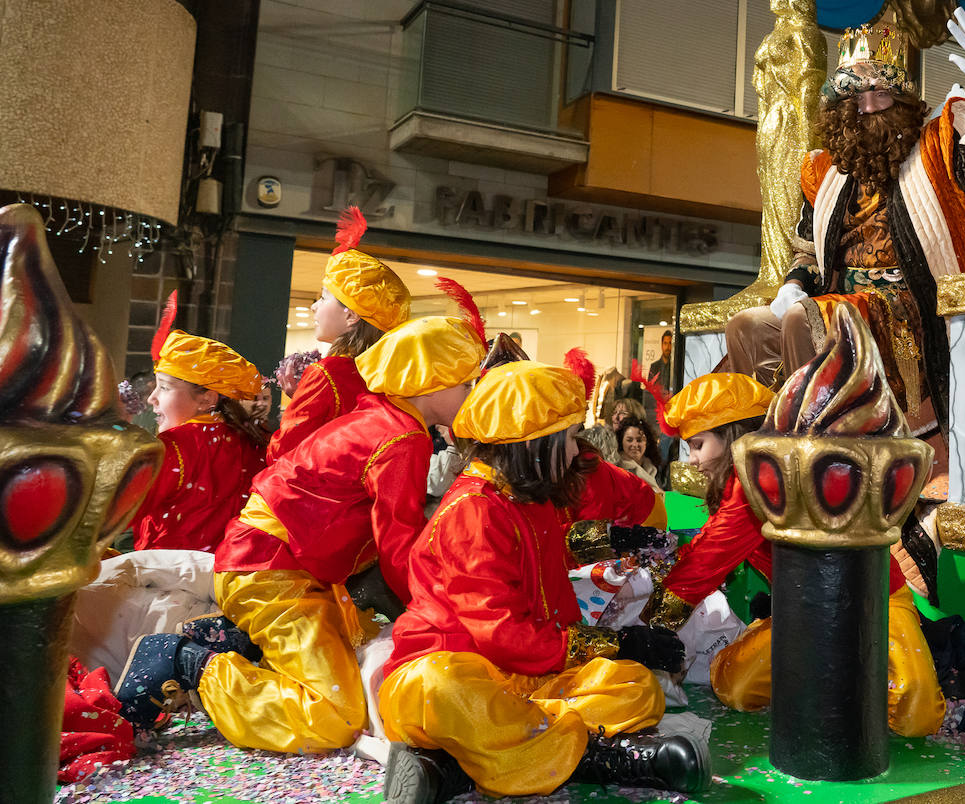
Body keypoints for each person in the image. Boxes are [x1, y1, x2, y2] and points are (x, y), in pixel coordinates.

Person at [113, 314, 487, 755]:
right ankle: (186, 662)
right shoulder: (400, 437)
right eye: (465, 384)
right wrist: (441, 612)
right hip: (270, 573)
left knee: (357, 673)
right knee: (333, 718)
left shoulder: (380, 418)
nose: (470, 396)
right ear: (430, 381)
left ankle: (228, 641)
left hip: (274, 567)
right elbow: (397, 544)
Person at [724, 4, 965, 502]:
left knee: (800, 322)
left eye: (881, 92)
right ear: (840, 109)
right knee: (746, 325)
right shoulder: (826, 171)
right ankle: (765, 448)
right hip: (840, 309)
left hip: (917, 313)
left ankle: (820, 459)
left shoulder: (941, 146)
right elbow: (807, 250)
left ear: (901, 98)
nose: (869, 106)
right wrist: (791, 285)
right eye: (856, 96)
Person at [379, 359, 710, 801]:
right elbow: (503, 636)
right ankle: (600, 757)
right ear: (532, 444)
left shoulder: (526, 497)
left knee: (634, 686)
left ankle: (454, 767)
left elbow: (550, 550)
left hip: (527, 680)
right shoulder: (472, 511)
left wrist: (616, 538)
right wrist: (616, 641)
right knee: (444, 689)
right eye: (569, 439)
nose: (576, 453)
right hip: (455, 672)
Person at [643, 373, 946, 737]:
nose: (692, 460)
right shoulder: (740, 481)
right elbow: (707, 547)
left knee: (919, 715)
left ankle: (843, 669)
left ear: (732, 435)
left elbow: (705, 560)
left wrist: (650, 628)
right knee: (734, 687)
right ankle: (825, 664)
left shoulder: (758, 480)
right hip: (804, 615)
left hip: (874, 602)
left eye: (698, 445)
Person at [266, 206, 411, 462]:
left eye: (322, 298)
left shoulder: (327, 373)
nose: (313, 306)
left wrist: (300, 401)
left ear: (352, 315)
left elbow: (282, 452)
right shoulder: (389, 376)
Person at [130, 293, 267, 555]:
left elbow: (118, 513)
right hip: (230, 580)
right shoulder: (257, 439)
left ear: (207, 399)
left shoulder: (175, 446)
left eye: (165, 388)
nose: (152, 398)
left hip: (166, 581)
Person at [615, 414, 662, 495]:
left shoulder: (653, 468)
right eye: (629, 440)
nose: (635, 444)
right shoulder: (617, 469)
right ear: (621, 442)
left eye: (639, 440)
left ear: (647, 443)